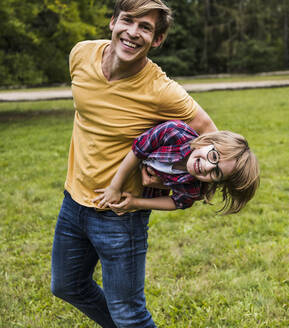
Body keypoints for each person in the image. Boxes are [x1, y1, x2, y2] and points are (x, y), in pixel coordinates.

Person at [51, 1, 217, 327]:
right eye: (128, 21)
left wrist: (172, 178)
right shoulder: (81, 55)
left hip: (121, 216)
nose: (133, 32)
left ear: (157, 40)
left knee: (130, 314)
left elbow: (211, 134)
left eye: (145, 27)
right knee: (67, 286)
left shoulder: (162, 91)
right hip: (73, 201)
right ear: (113, 22)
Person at [93, 120, 260, 214]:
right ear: (208, 141)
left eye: (216, 173)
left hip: (140, 199)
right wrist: (115, 187)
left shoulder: (193, 188)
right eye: (214, 156)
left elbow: (177, 202)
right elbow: (138, 150)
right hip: (114, 167)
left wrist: (136, 202)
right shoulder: (174, 132)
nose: (207, 166)